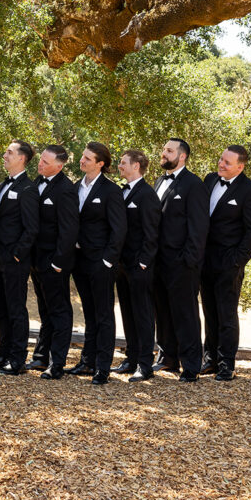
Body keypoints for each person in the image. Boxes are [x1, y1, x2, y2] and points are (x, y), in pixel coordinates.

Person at [201, 146, 251, 381]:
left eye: (227, 162)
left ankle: (227, 364)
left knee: (226, 314)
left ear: (240, 166)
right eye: (220, 159)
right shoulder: (209, 181)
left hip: (229, 263)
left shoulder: (249, 191)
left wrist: (237, 261)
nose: (221, 164)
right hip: (204, 260)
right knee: (209, 311)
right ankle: (210, 360)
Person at [67, 142, 126, 385]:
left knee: (103, 315)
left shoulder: (111, 191)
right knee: (89, 314)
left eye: (87, 158)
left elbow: (119, 229)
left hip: (100, 262)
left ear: (100, 164)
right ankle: (87, 361)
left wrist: (107, 261)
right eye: (82, 156)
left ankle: (103, 366)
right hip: (79, 261)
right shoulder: (74, 187)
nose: (82, 161)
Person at [153, 138, 209, 382]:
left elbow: (198, 227)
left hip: (182, 263)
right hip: (158, 261)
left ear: (182, 156)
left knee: (185, 314)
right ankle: (168, 358)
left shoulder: (194, 185)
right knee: (162, 311)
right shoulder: (158, 181)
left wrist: (189, 261)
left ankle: (191, 365)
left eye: (169, 151)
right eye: (164, 150)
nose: (163, 154)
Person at [27, 145, 79, 380]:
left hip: (54, 261)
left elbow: (69, 230)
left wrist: (58, 261)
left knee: (59, 311)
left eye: (46, 163)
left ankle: (57, 362)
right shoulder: (36, 181)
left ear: (59, 166)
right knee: (44, 310)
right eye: (41, 160)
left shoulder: (66, 189)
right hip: (35, 259)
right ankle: (40, 356)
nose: (40, 164)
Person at [0, 140, 39, 376]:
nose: (5, 155)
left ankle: (18, 359)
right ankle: (4, 351)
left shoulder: (29, 189)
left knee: (16, 308)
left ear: (22, 158)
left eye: (9, 152)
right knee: (0, 307)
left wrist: (18, 254)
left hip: (15, 259)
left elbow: (31, 228)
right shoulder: (2, 186)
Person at [112, 149, 161, 382]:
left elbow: (152, 233)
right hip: (121, 265)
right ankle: (131, 359)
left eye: (123, 163)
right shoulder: (122, 191)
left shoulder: (147, 195)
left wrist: (143, 262)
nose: (120, 166)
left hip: (139, 266)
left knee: (142, 315)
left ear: (136, 166)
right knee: (128, 313)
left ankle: (145, 364)